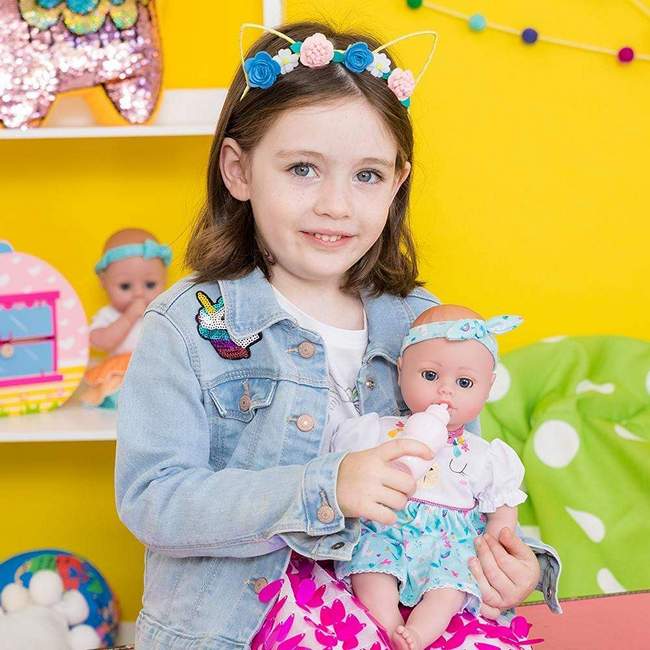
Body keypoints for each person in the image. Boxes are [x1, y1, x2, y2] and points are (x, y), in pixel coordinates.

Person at [114, 20, 561, 649]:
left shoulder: (423, 323)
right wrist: (325, 488)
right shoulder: (187, 325)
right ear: (239, 171)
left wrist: (515, 565)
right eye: (302, 168)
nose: (336, 204)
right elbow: (153, 501)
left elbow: (469, 477)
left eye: (368, 175)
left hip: (405, 622)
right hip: (237, 630)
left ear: (398, 181)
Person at [331, 304, 528, 649]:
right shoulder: (381, 430)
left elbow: (502, 511)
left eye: (464, 382)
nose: (445, 392)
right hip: (386, 525)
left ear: (488, 386)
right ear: (402, 369)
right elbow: (346, 469)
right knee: (370, 568)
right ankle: (389, 624)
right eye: (430, 376)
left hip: (448, 542)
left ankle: (419, 634)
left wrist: (496, 550)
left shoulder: (486, 456)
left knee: (449, 589)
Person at [80, 228, 170, 408]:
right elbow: (100, 341)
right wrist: (129, 317)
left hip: (157, 367)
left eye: (150, 284)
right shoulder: (109, 315)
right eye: (125, 286)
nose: (138, 293)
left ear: (165, 278)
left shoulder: (164, 310)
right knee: (122, 393)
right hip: (122, 371)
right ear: (104, 283)